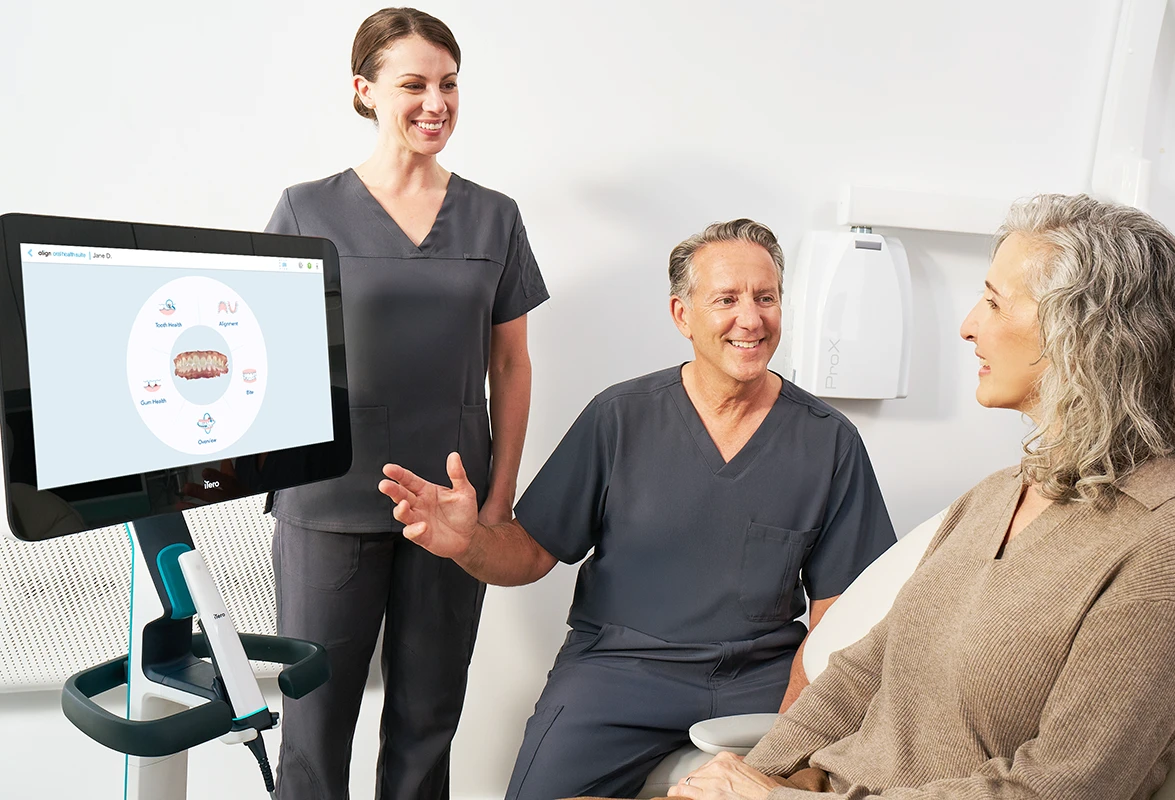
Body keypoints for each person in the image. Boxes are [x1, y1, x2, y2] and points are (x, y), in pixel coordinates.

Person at [625, 194, 1175, 800]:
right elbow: (862, 672)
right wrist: (758, 775)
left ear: (1084, 335)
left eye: (995, 302)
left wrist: (774, 799)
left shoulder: (1167, 546)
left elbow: (1055, 790)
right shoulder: (999, 495)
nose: (968, 325)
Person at [379, 219, 897, 800]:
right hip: (619, 671)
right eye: (726, 299)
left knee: (834, 783)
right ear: (682, 315)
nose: (751, 319)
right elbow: (530, 552)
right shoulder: (620, 417)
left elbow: (839, 611)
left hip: (761, 676)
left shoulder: (829, 441)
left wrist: (797, 728)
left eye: (766, 298)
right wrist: (469, 541)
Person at [265, 8, 549, 799]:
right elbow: (271, 355)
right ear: (365, 90)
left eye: (449, 84)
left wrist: (498, 500)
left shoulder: (494, 216)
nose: (436, 103)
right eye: (414, 84)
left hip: (453, 505)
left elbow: (511, 364)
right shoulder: (306, 210)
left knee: (428, 723)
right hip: (328, 500)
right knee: (315, 728)